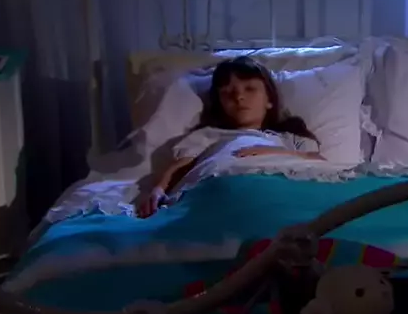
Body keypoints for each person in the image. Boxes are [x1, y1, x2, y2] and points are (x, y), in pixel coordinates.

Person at [136, 56, 324, 218]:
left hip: (279, 187)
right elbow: (181, 167)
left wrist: (270, 152)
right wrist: (158, 190)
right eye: (227, 93)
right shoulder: (210, 135)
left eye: (249, 89)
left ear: (269, 100)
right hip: (223, 185)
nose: (238, 97)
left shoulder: (289, 137)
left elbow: (318, 163)